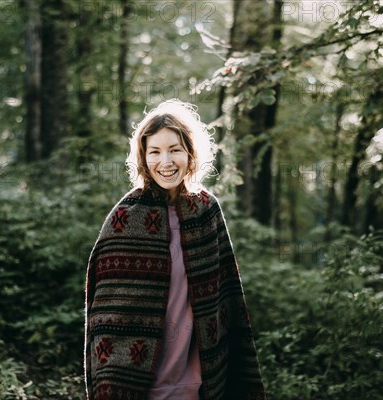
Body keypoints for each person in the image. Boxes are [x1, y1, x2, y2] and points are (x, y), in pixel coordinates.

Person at [84, 99, 266, 400]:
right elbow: (106, 313)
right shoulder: (126, 217)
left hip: (198, 383)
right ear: (143, 157)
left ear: (190, 154)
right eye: (154, 151)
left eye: (175, 150)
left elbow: (228, 299)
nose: (165, 161)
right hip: (140, 385)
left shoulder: (206, 211)